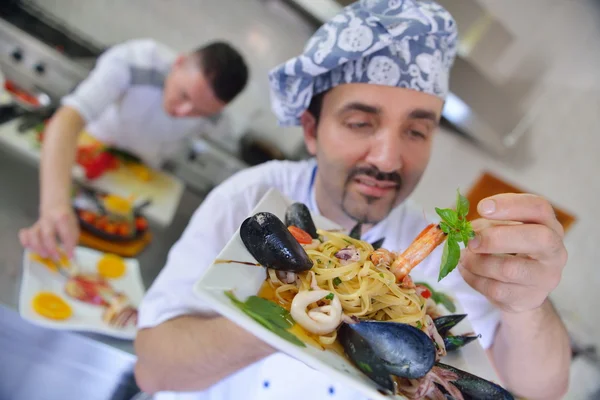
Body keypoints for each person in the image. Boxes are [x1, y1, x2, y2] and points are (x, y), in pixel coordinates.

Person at [133, 1, 571, 399]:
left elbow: (539, 391)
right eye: (361, 122)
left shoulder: (443, 250)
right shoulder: (249, 196)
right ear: (310, 130)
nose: (387, 159)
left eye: (416, 131)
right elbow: (153, 371)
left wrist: (528, 304)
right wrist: (299, 307)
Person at [18, 38, 249, 260]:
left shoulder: (218, 119)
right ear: (178, 62)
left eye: (199, 112)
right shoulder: (135, 59)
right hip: (77, 163)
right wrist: (54, 205)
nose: (182, 112)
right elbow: (68, 119)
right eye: (183, 95)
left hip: (136, 184)